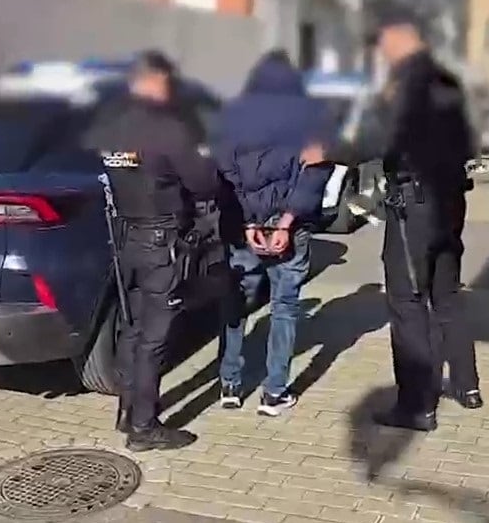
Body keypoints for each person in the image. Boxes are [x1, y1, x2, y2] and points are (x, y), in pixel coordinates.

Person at [306, 1, 482, 431]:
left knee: (406, 302)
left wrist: (327, 152)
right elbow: (468, 141)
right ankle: (467, 385)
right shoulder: (447, 81)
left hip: (414, 205)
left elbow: (379, 139)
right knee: (447, 295)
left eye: (381, 41)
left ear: (398, 35)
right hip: (450, 200)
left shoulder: (406, 82)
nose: (380, 50)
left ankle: (417, 406)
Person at [82, 51, 219, 451]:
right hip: (161, 240)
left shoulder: (110, 127)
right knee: (154, 336)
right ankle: (143, 427)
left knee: (134, 327)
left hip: (128, 238)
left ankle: (128, 411)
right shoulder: (167, 129)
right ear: (154, 81)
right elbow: (204, 183)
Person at [212, 51, 337, 416]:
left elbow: (226, 174)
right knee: (284, 306)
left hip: (245, 227)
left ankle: (229, 384)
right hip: (290, 227)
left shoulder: (233, 117)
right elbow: (316, 173)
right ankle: (274, 392)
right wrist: (286, 222)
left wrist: (249, 222)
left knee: (236, 301)